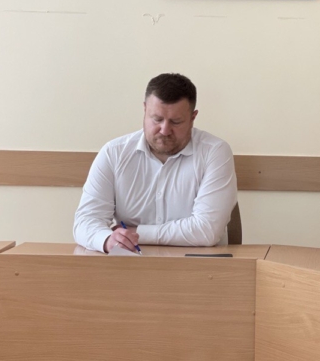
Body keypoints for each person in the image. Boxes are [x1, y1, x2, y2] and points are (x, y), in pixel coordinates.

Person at [73, 73, 238, 253]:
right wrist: (107, 240)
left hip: (199, 265)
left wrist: (137, 233)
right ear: (145, 110)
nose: (165, 130)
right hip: (130, 264)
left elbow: (207, 231)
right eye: (157, 119)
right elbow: (85, 221)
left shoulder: (215, 152)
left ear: (193, 117)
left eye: (176, 122)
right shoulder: (114, 153)